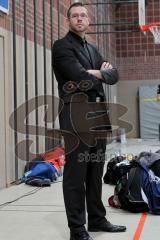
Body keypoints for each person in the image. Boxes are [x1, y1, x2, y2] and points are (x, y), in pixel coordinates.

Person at [52, 2, 126, 240]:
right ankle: (77, 229)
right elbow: (79, 77)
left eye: (83, 15)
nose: (79, 19)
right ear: (68, 20)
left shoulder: (93, 49)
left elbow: (114, 76)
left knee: (95, 170)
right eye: (75, 15)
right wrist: (97, 73)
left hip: (98, 115)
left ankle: (96, 219)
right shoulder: (62, 46)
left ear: (89, 19)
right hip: (76, 115)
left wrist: (98, 72)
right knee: (76, 173)